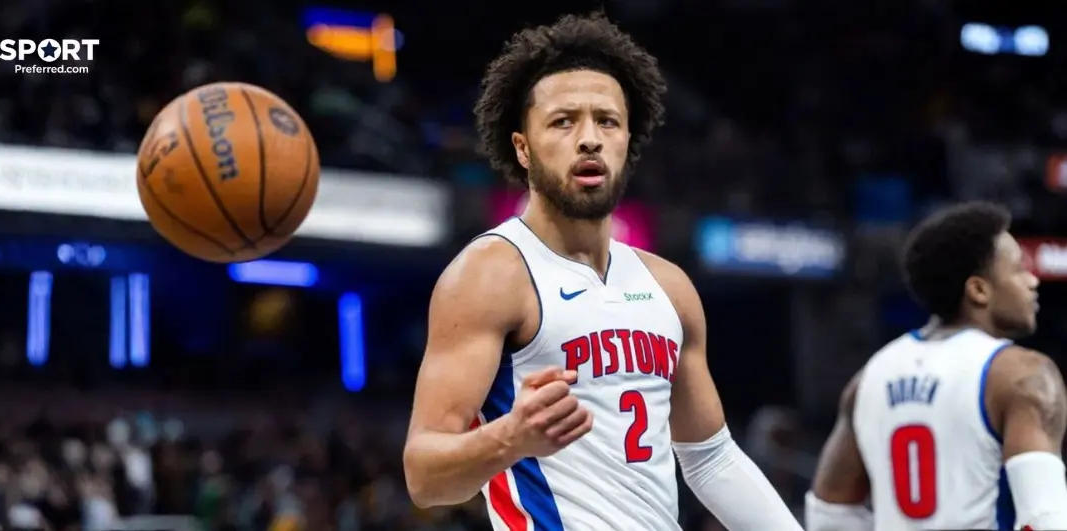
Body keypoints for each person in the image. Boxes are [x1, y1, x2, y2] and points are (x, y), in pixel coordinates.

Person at [402, 12, 801, 531]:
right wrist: (510, 438)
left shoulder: (669, 287)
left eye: (607, 121)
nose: (589, 139)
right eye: (563, 122)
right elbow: (424, 478)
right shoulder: (491, 275)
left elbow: (711, 459)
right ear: (522, 147)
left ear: (628, 140)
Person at [806, 202, 1067, 531]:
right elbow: (1043, 521)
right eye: (1018, 269)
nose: (1032, 280)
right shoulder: (1021, 374)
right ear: (978, 290)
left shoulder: (869, 377)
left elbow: (830, 514)